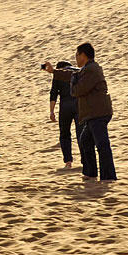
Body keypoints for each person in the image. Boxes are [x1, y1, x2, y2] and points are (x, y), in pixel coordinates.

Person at [48, 43, 116, 181]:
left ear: (83, 55)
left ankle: (108, 176)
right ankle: (91, 173)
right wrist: (53, 71)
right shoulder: (87, 69)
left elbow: (77, 90)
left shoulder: (92, 70)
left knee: (102, 145)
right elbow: (69, 74)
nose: (76, 57)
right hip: (92, 114)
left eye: (77, 55)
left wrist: (73, 82)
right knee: (85, 141)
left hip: (98, 113)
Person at [44, 61, 84, 169]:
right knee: (81, 133)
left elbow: (53, 94)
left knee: (64, 134)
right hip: (78, 106)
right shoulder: (77, 72)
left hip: (65, 107)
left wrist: (51, 111)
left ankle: (68, 161)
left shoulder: (58, 75)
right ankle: (85, 160)